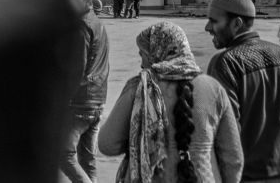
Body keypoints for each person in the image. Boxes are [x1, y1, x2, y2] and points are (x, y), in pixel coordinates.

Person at [99, 21, 243, 183]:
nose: (141, 63)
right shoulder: (214, 89)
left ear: (157, 51)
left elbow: (107, 144)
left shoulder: (140, 87)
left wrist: (139, 140)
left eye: (143, 54)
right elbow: (233, 159)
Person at [205, 0, 280, 182]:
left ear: (237, 24)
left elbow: (226, 132)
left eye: (214, 21)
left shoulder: (226, 63)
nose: (208, 27)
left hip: (245, 175)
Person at [62, 0, 111, 183]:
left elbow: (77, 67)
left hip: (81, 99)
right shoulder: (97, 22)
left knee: (63, 154)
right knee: (86, 158)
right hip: (98, 98)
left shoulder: (81, 26)